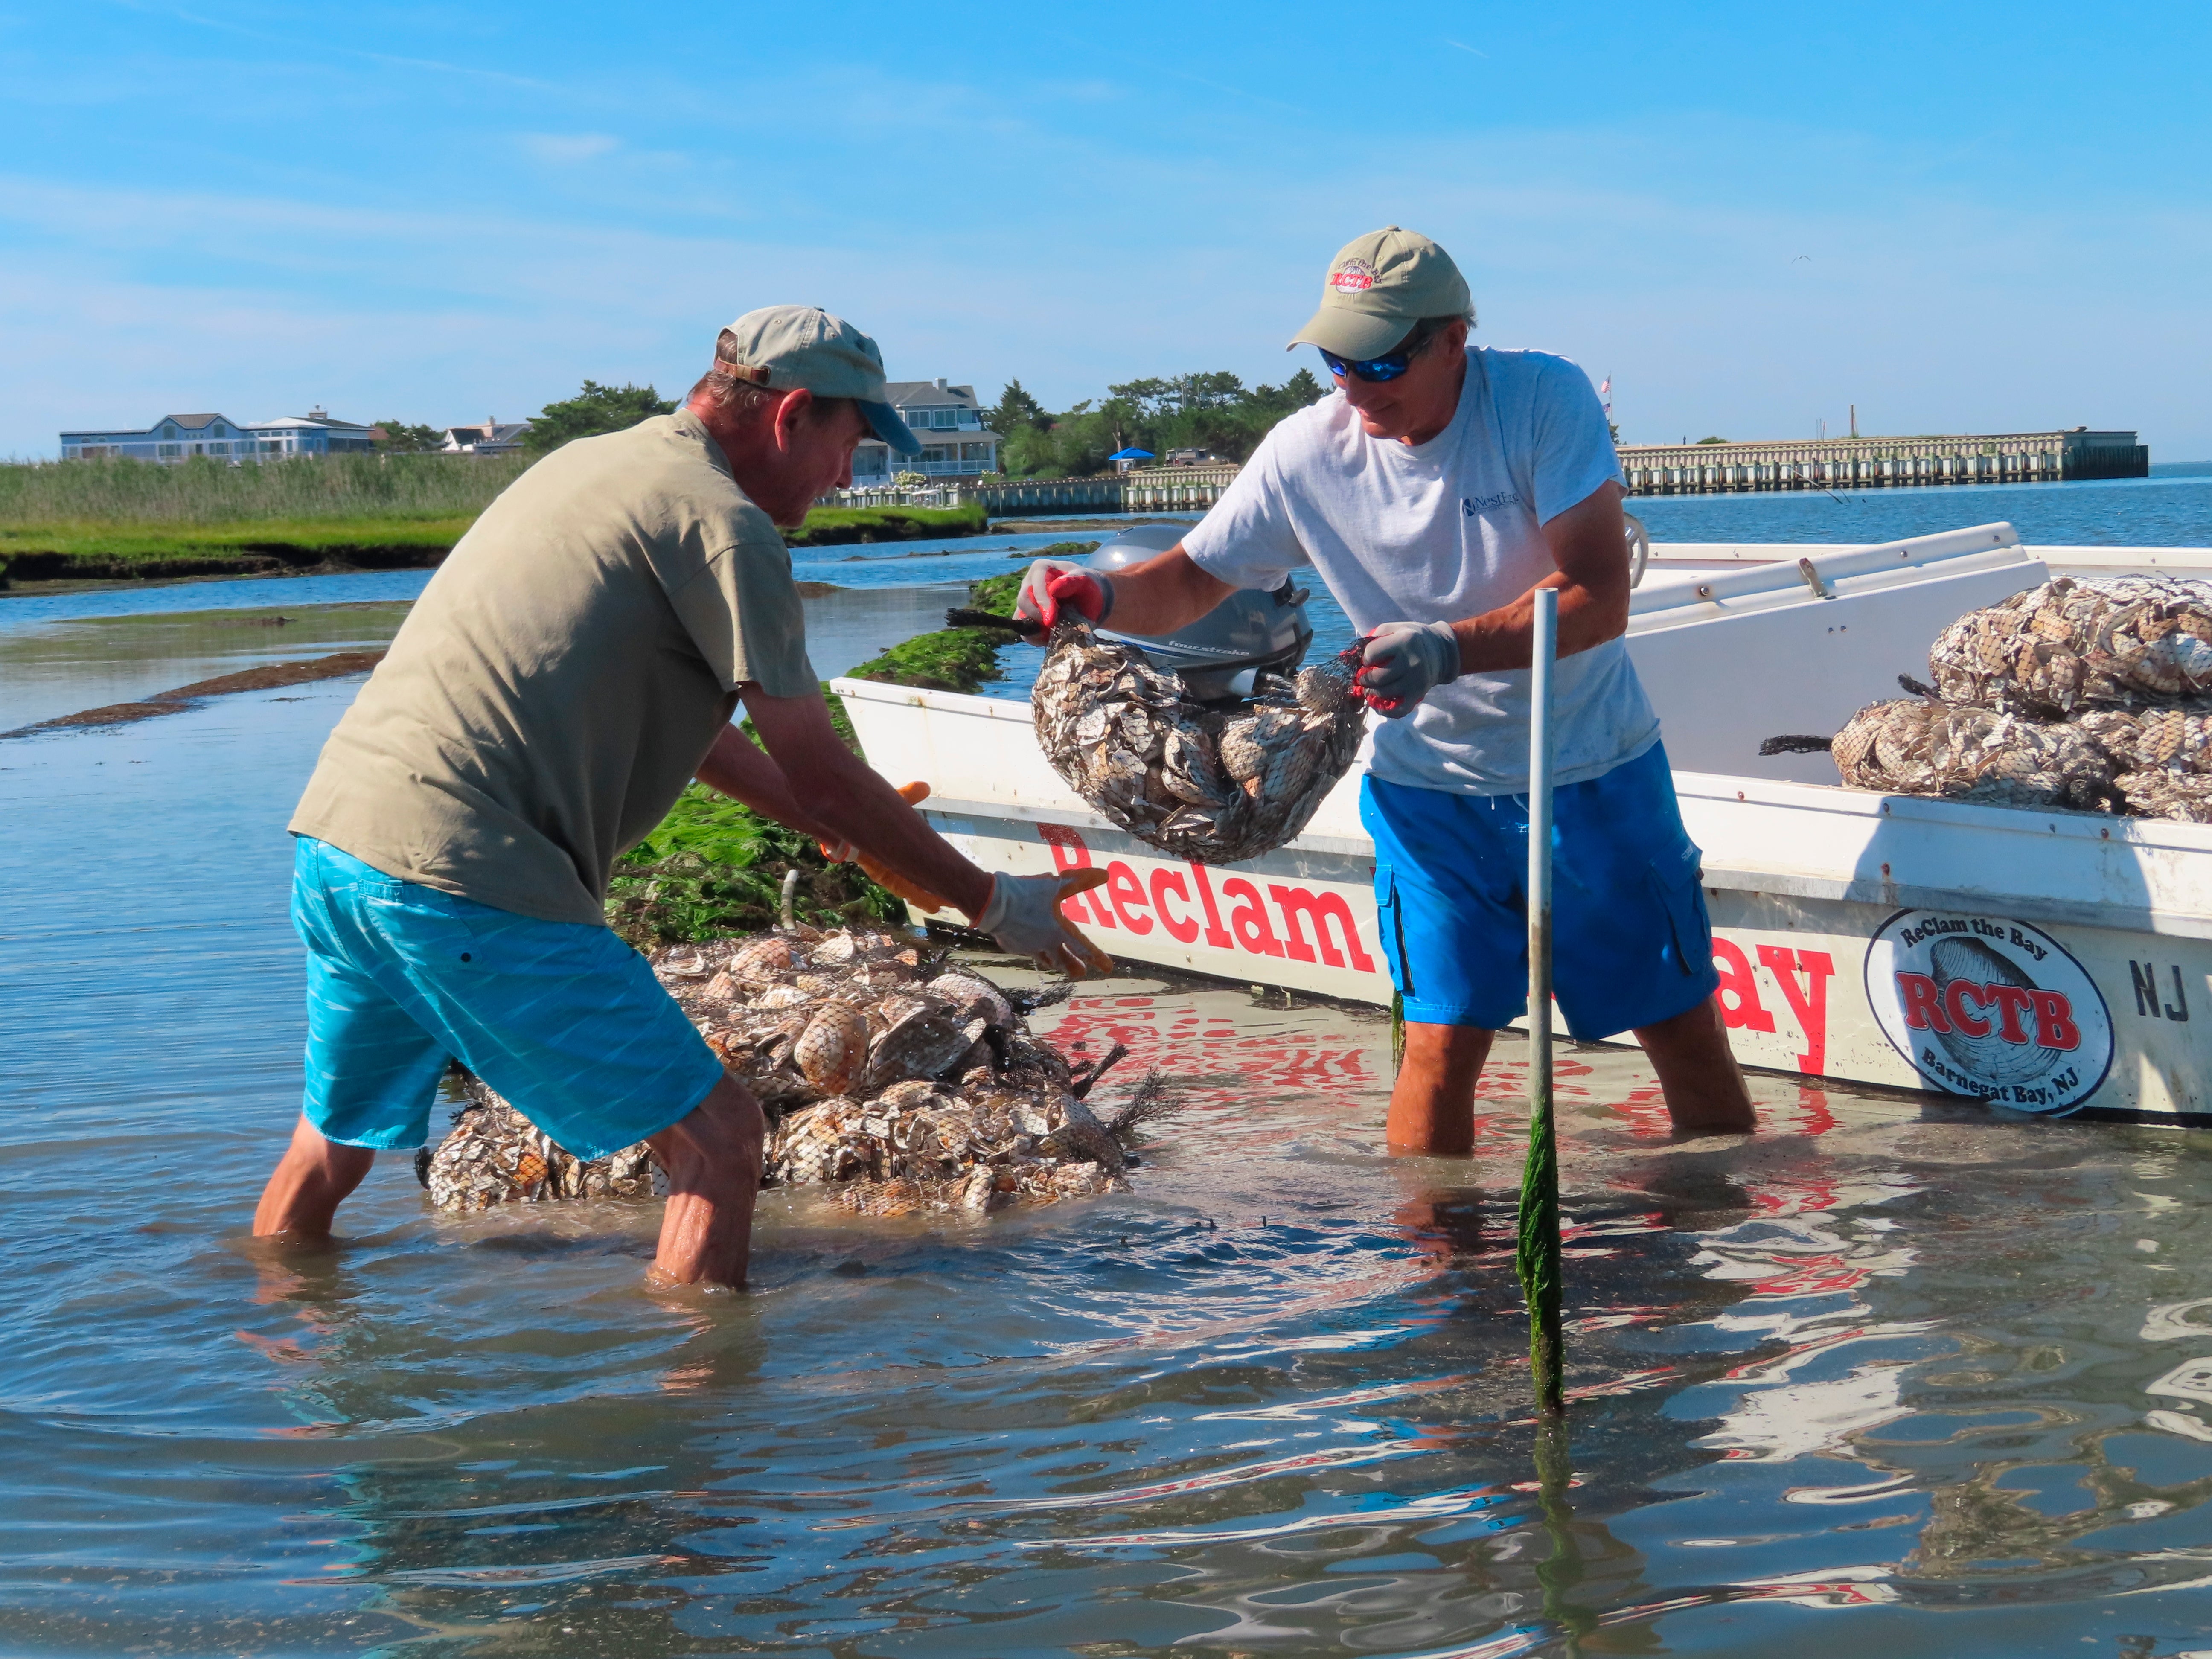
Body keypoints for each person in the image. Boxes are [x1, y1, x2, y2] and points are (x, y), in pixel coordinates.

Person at [256, 305, 1106, 1286]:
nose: (846, 477)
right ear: (791, 416)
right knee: (720, 1142)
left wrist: (836, 830)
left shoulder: (592, 464)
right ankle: (696, 1427)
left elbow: (697, 732)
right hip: (468, 876)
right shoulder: (726, 526)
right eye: (850, 445)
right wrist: (997, 903)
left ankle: (284, 1364)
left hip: (339, 847)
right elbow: (823, 765)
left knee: (334, 1141)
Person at [1018, 228, 1756, 1153]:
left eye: (1382, 358)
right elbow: (1195, 582)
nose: (1356, 383)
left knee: (1679, 1030)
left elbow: (1599, 597)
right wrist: (1103, 595)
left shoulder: (1541, 399)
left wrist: (1448, 650)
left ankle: (1710, 1256)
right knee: (1441, 1047)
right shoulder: (1304, 453)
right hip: (1429, 793)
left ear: (1454, 338)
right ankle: (1444, 1280)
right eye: (1337, 359)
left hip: (1591, 770)